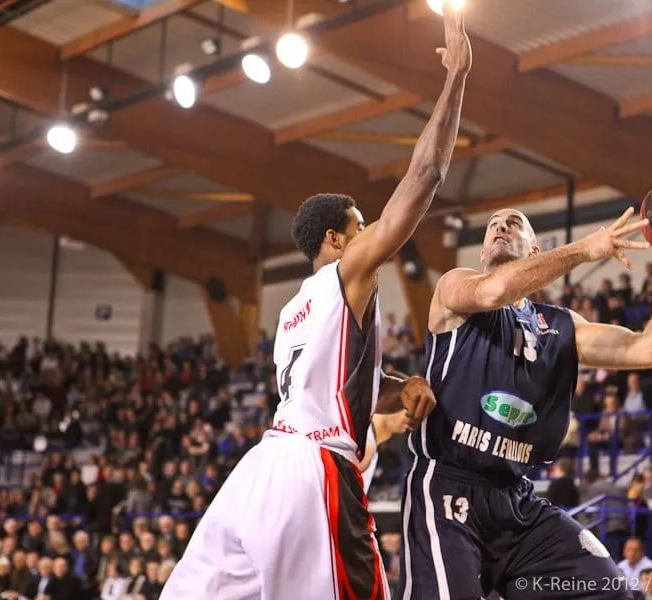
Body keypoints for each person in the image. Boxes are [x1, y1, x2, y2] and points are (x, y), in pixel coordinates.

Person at [160, 5, 472, 599]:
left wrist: (396, 383)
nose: (368, 239)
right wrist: (456, 78)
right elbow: (425, 176)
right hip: (316, 472)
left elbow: (337, 377)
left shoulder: (291, 311)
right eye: (360, 228)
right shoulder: (347, 273)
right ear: (336, 239)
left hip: (259, 471)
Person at [398, 206, 652, 599]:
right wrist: (586, 249)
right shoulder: (456, 288)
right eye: (492, 225)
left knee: (609, 590)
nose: (500, 226)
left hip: (515, 499)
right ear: (482, 253)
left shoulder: (562, 326)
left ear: (535, 251)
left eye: (514, 223)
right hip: (446, 485)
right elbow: (496, 290)